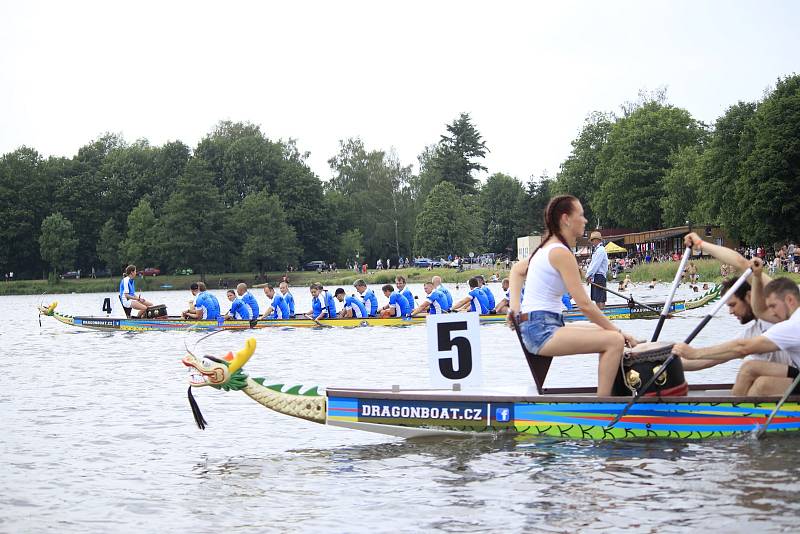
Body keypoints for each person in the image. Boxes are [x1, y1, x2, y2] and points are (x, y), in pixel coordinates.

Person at [507, 195, 638, 396]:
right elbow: (585, 305)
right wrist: (620, 333)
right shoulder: (560, 252)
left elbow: (516, 270)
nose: (585, 220)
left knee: (602, 330)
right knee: (614, 341)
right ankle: (605, 412)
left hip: (540, 325)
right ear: (566, 219)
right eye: (581, 215)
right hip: (542, 330)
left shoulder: (545, 247)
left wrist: (515, 308)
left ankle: (614, 395)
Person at [674, 261, 800, 396]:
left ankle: (734, 413)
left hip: (793, 376)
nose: (730, 312)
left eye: (733, 305)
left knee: (754, 374)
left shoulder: (784, 319)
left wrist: (695, 352)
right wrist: (664, 364)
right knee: (753, 373)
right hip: (792, 375)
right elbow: (710, 359)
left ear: (749, 297)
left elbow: (741, 348)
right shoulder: (753, 332)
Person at [585, 231, 609, 310]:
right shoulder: (597, 250)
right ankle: (599, 312)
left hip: (599, 276)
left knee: (600, 298)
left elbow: (595, 265)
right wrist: (589, 275)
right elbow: (592, 264)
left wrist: (588, 275)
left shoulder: (600, 250)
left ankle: (601, 313)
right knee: (596, 298)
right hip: (596, 276)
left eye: (592, 240)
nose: (592, 242)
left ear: (596, 240)